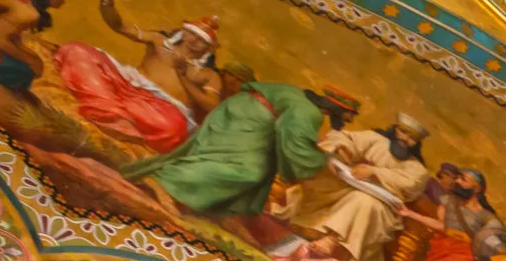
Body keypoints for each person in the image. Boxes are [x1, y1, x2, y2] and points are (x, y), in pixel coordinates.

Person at [125, 76, 360, 219]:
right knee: (248, 171)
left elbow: (288, 134)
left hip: (239, 111)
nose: (349, 120)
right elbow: (295, 142)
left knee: (261, 165)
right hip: (246, 120)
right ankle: (165, 182)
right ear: (338, 110)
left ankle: (215, 205)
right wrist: (323, 161)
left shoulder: (302, 97)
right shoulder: (309, 111)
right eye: (349, 115)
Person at [45, 0, 220, 152]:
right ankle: (110, 112)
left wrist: (183, 77)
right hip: (123, 84)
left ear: (209, 48)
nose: (194, 41)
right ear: (184, 31)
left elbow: (211, 106)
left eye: (202, 40)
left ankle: (113, 115)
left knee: (173, 128)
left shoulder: (208, 75)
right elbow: (118, 26)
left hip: (158, 109)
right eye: (192, 33)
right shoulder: (159, 41)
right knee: (75, 50)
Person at [283, 111, 428, 261]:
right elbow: (343, 137)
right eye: (403, 132)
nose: (405, 139)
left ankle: (331, 240)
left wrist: (374, 172)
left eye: (412, 138)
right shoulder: (376, 140)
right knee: (325, 176)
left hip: (382, 208)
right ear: (396, 129)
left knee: (364, 201)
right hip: (348, 188)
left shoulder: (417, 168)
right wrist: (343, 149)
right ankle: (313, 228)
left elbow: (409, 185)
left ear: (416, 143)